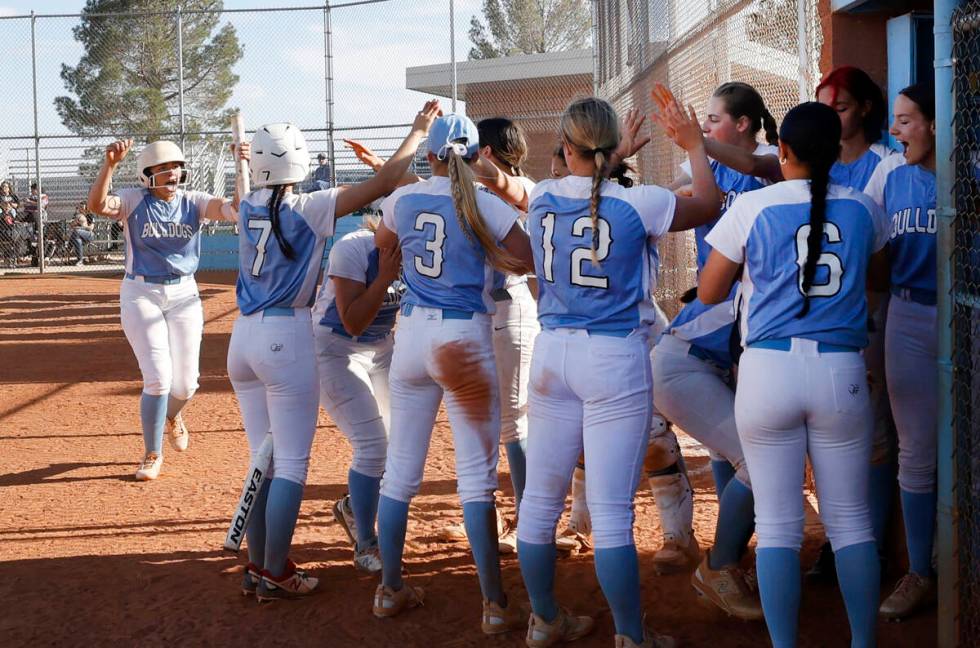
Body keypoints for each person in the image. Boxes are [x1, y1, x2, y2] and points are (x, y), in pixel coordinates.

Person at [517, 95, 720, 648]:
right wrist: (695, 145)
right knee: (610, 515)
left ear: (565, 146)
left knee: (539, 503)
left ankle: (544, 620)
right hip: (613, 357)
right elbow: (709, 202)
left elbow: (580, 190)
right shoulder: (643, 202)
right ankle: (631, 637)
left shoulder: (540, 196)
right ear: (612, 152)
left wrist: (607, 157)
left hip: (552, 351)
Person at [229, 103, 440, 602]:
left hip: (242, 340)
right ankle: (275, 571)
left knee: (265, 461)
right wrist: (416, 131)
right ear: (299, 162)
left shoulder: (247, 205)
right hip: (286, 337)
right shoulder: (309, 206)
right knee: (291, 466)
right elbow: (388, 179)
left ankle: (261, 565)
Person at [698, 102, 890, 648]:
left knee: (779, 526)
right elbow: (880, 276)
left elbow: (710, 292)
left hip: (768, 371)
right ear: (836, 153)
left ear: (781, 151)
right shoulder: (862, 206)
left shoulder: (756, 205)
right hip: (840, 371)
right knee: (851, 523)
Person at [371, 113, 534, 635]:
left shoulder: (403, 198)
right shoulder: (484, 201)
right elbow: (527, 259)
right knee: (476, 481)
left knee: (400, 473)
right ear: (475, 154)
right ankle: (492, 603)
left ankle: (389, 588)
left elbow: (385, 247)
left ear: (433, 154)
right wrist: (488, 258)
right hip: (463, 337)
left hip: (413, 335)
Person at [649, 80, 780, 620]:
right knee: (750, 456)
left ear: (744, 124)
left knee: (738, 452)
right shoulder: (709, 167)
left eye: (713, 119)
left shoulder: (773, 158)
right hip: (709, 329)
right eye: (701, 121)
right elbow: (678, 190)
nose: (703, 128)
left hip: (736, 331)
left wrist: (695, 145)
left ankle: (731, 559)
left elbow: (761, 168)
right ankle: (720, 564)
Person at [87, 139, 233, 480]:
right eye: (163, 168)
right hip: (141, 292)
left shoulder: (193, 201)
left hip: (184, 292)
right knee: (158, 379)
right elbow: (96, 205)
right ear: (146, 174)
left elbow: (232, 209)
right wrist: (109, 165)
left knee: (186, 386)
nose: (173, 173)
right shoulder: (134, 199)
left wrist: (238, 168)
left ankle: (172, 414)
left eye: (176, 167)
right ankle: (152, 453)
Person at [809, 65, 899, 582]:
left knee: (876, 433)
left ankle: (875, 544)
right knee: (829, 433)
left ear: (864, 108)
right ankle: (838, 541)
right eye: (825, 108)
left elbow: (882, 263)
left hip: (872, 315)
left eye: (840, 107)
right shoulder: (814, 165)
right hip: (827, 325)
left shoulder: (884, 164)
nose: (832, 116)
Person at [864, 83, 939, 620]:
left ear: (937, 124)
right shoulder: (891, 173)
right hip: (909, 314)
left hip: (967, 314)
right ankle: (920, 570)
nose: (896, 130)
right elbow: (865, 236)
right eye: (894, 119)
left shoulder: (969, 168)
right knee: (913, 447)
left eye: (908, 120)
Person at [315, 216, 403, 575]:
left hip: (382, 349)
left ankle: (354, 506)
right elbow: (352, 321)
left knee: (398, 447)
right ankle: (366, 541)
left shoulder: (424, 248)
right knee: (372, 446)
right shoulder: (353, 247)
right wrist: (384, 276)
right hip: (335, 348)